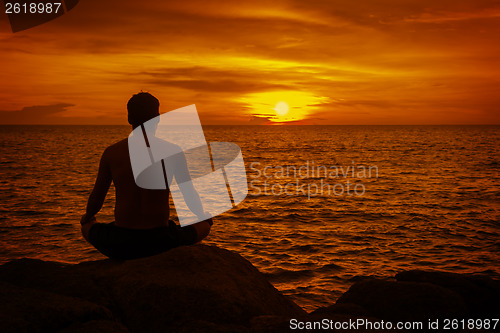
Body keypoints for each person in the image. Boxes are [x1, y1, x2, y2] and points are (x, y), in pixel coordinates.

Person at [80, 92, 212, 260]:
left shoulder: (111, 153)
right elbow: (189, 195)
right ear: (157, 118)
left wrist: (87, 217)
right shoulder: (173, 151)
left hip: (121, 243)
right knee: (205, 224)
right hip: (161, 242)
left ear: (129, 118)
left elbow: (96, 200)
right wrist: (202, 216)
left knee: (87, 226)